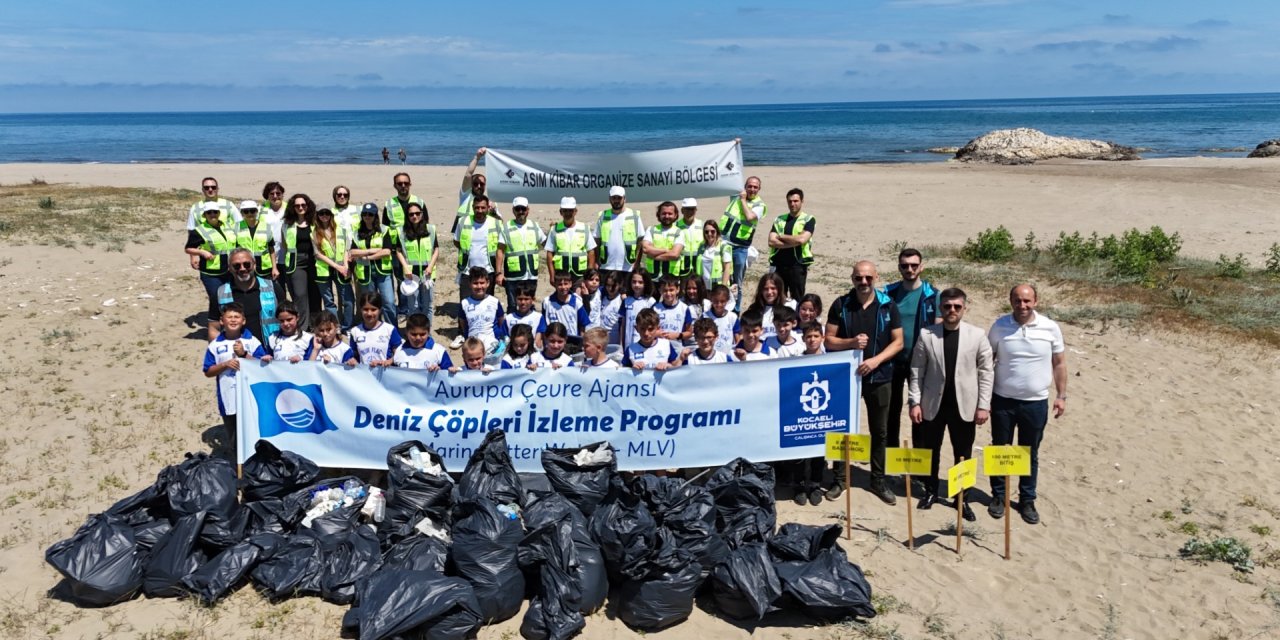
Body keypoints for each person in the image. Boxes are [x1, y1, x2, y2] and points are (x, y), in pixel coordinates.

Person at [908, 288, 993, 521]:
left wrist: (983, 405)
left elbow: (986, 372)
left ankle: (961, 497)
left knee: (963, 453)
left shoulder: (977, 335)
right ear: (941, 308)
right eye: (947, 306)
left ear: (964, 308)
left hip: (965, 405)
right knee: (930, 451)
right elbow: (916, 371)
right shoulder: (927, 335)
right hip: (932, 404)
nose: (952, 310)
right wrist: (914, 402)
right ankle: (931, 491)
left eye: (957, 306)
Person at [986, 284, 1067, 525]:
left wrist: (1062, 396)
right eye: (1017, 301)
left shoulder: (1050, 327)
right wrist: (983, 397)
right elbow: (987, 361)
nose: (1022, 306)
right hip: (1002, 400)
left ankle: (1027, 499)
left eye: (1027, 301)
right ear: (1010, 301)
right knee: (1000, 449)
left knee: (1029, 452)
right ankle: (998, 496)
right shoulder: (999, 326)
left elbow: (1060, 363)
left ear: (1036, 301)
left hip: (1035, 402)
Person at [825, 260, 904, 505]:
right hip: (847, 377)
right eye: (859, 278)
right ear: (852, 279)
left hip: (879, 377)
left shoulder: (887, 305)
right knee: (841, 429)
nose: (863, 282)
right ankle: (839, 478)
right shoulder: (841, 304)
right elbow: (828, 340)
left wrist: (876, 361)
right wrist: (850, 343)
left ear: (876, 278)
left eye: (868, 278)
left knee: (879, 431)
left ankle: (877, 480)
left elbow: (898, 341)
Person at [885, 248, 941, 482]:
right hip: (892, 360)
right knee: (891, 412)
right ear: (899, 267)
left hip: (921, 363)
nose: (909, 269)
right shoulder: (889, 293)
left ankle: (918, 470)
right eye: (905, 265)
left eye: (914, 265)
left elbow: (938, 330)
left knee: (921, 414)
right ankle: (891, 463)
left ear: (921, 267)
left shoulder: (932, 295)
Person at [202, 302, 266, 456]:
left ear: (243, 320)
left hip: (251, 396)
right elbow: (208, 371)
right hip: (228, 398)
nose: (233, 320)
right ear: (222, 321)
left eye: (236, 317)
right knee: (234, 436)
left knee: (254, 432)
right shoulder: (215, 345)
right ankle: (238, 466)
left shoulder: (252, 341)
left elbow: (262, 366)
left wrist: (244, 355)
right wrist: (225, 365)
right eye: (229, 317)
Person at [186, 204, 237, 340]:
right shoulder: (200, 230)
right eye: (209, 213)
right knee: (216, 299)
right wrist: (201, 252)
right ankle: (215, 331)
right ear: (205, 215)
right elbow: (189, 248)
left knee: (230, 299)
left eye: (215, 212)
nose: (213, 214)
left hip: (229, 271)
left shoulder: (227, 226)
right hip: (211, 273)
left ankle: (229, 328)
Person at [216, 248, 280, 347]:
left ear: (254, 265)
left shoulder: (273, 288)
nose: (242, 268)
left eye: (247, 264)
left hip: (270, 352)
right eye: (236, 266)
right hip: (235, 355)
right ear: (229, 268)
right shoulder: (220, 293)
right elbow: (214, 328)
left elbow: (288, 318)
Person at [719, 175, 766, 309]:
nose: (752, 189)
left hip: (740, 248)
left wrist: (743, 200)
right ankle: (721, 307)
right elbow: (727, 182)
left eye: (755, 187)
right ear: (745, 187)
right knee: (721, 278)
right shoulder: (736, 196)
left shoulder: (760, 205)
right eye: (749, 186)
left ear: (759, 189)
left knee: (736, 282)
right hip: (724, 243)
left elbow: (750, 216)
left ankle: (735, 310)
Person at [384, 172, 425, 318]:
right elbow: (385, 228)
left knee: (417, 277)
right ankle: (403, 309)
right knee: (401, 279)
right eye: (399, 183)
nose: (403, 186)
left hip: (416, 248)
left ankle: (417, 305)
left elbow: (425, 225)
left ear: (410, 184)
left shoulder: (419, 201)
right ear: (395, 185)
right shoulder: (389, 204)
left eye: (405, 183)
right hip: (397, 249)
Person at [350, 202, 397, 326]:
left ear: (375, 216)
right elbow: (353, 252)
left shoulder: (384, 230)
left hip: (383, 271)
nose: (367, 217)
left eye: (370, 214)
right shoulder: (357, 233)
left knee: (389, 302)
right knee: (370, 303)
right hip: (366, 273)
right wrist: (371, 251)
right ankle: (373, 327)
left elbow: (387, 251)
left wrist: (367, 257)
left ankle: (392, 329)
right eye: (365, 214)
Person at [278, 193, 319, 329]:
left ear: (308, 206)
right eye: (297, 205)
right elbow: (284, 245)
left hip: (315, 261)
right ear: (292, 207)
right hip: (296, 262)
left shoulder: (315, 221)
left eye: (303, 205)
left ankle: (315, 325)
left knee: (315, 293)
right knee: (300, 294)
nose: (300, 207)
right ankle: (302, 327)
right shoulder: (287, 224)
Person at [396, 202, 439, 332]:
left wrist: (431, 266)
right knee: (413, 306)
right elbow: (398, 251)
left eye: (417, 213)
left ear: (422, 214)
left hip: (428, 273)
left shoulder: (430, 229)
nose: (414, 216)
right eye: (411, 214)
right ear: (407, 216)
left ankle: (427, 332)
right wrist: (405, 267)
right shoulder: (402, 232)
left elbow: (436, 249)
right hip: (411, 275)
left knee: (427, 305)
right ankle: (415, 331)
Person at [768, 188, 815, 300]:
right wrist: (793, 241)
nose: (792, 204)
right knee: (779, 297)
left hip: (797, 265)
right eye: (790, 201)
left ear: (802, 201)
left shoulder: (808, 219)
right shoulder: (779, 219)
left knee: (797, 298)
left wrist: (782, 237)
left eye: (795, 201)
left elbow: (802, 240)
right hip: (779, 264)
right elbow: (771, 241)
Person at [314, 207, 355, 330]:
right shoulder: (314, 232)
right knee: (329, 301)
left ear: (331, 215)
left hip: (342, 269)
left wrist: (346, 267)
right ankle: (335, 326)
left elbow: (346, 249)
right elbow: (317, 254)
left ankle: (347, 326)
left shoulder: (341, 230)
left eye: (327, 213)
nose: (324, 215)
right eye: (321, 213)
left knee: (348, 299)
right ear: (318, 215)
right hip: (324, 270)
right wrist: (337, 266)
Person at [594, 186, 645, 283]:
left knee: (626, 295)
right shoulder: (603, 215)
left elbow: (640, 240)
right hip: (606, 266)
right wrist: (597, 260)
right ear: (610, 199)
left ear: (625, 199)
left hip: (628, 266)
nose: (616, 201)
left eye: (619, 198)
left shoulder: (634, 216)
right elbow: (597, 240)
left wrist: (637, 262)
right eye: (614, 198)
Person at [502, 196, 546, 309]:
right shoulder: (506, 227)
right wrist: (498, 273)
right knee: (512, 305)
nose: (521, 211)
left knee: (529, 303)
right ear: (513, 210)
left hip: (531, 274)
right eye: (518, 209)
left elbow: (546, 243)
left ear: (528, 210)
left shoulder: (534, 226)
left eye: (523, 209)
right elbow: (500, 250)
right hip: (513, 275)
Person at [545, 196, 597, 285]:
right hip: (561, 275)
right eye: (565, 210)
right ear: (561, 212)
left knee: (580, 297)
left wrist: (589, 273)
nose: (568, 213)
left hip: (579, 275)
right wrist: (552, 275)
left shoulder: (584, 228)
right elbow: (550, 254)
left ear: (575, 211)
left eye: (570, 210)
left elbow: (591, 252)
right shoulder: (554, 229)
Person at [234, 200, 279, 298]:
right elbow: (234, 250)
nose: (250, 214)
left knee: (267, 292)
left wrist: (274, 268)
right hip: (245, 267)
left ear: (256, 212)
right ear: (242, 213)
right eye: (246, 211)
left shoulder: (266, 227)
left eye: (252, 211)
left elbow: (271, 249)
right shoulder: (236, 227)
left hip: (264, 268)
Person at [458, 267, 506, 353]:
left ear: (488, 283)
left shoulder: (494, 302)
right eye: (475, 283)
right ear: (470, 284)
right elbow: (463, 324)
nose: (479, 286)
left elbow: (501, 322)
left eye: (482, 283)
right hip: (473, 348)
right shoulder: (464, 303)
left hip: (493, 347)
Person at [349, 291, 400, 366]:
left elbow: (399, 354)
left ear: (380, 310)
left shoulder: (390, 330)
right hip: (364, 375)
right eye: (365, 309)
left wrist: (389, 361)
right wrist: (352, 361)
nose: (369, 313)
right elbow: (352, 355)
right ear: (360, 310)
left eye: (373, 309)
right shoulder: (355, 331)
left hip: (385, 375)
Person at [457, 147, 501, 233]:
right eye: (476, 184)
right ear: (471, 185)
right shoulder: (465, 196)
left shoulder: (491, 202)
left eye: (482, 184)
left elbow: (500, 223)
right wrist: (477, 157)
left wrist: (494, 213)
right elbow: (468, 175)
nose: (479, 186)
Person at [639, 201, 685, 280]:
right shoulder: (651, 230)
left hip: (671, 279)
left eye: (670, 213)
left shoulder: (679, 232)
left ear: (675, 215)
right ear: (659, 215)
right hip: (652, 277)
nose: (667, 216)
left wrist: (654, 256)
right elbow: (645, 248)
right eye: (664, 213)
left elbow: (674, 254)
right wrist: (666, 250)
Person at [745, 272, 796, 342]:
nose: (769, 292)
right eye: (766, 289)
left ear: (779, 289)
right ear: (761, 291)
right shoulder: (754, 309)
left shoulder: (790, 305)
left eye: (773, 288)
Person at [543, 272, 591, 342]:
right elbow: (544, 325)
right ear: (555, 285)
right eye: (560, 284)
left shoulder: (577, 302)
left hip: (572, 341)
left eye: (566, 284)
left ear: (570, 284)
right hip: (553, 342)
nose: (563, 287)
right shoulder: (547, 302)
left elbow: (582, 325)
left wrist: (581, 342)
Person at [619, 269, 656, 352]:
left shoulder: (650, 302)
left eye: (640, 282)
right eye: (634, 282)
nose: (636, 285)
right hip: (628, 344)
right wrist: (621, 344)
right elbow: (623, 324)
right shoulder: (626, 301)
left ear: (646, 283)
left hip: (644, 345)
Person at [652, 277, 694, 344]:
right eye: (665, 290)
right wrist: (656, 333)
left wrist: (678, 335)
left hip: (677, 346)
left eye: (671, 290)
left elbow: (689, 333)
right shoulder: (655, 308)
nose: (668, 293)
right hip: (659, 346)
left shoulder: (684, 308)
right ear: (660, 290)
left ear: (677, 289)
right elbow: (649, 329)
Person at [505, 284, 547, 349]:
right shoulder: (509, 318)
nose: (523, 302)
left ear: (533, 300)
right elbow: (505, 339)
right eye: (520, 299)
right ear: (515, 299)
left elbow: (538, 340)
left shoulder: (538, 317)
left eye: (526, 299)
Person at [703, 284, 739, 356]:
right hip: (711, 356)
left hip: (728, 357)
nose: (719, 304)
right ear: (711, 299)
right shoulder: (705, 316)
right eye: (716, 301)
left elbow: (737, 337)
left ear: (727, 300)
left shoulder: (732, 317)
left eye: (722, 301)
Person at [673, 198, 704, 280]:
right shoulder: (676, 226)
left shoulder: (702, 225)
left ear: (696, 210)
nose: (690, 212)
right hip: (682, 267)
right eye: (687, 209)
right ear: (682, 210)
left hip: (698, 266)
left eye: (692, 209)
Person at [699, 219, 733, 292]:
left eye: (712, 231)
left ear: (717, 232)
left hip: (718, 286)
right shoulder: (701, 247)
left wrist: (723, 288)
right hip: (705, 287)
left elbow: (727, 269)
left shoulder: (723, 247)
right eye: (706, 232)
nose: (709, 234)